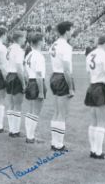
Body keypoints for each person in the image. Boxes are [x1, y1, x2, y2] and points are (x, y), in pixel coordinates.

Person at [85, 36, 105, 159]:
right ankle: (99, 152)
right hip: (101, 87)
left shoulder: (90, 55)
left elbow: (88, 73)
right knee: (101, 122)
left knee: (93, 122)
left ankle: (93, 150)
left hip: (92, 86)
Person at [49, 21, 75, 151]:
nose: (72, 32)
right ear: (67, 31)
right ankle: (58, 144)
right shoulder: (66, 46)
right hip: (62, 77)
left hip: (54, 76)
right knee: (62, 113)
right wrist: (70, 87)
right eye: (71, 30)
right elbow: (66, 69)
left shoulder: (54, 43)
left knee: (57, 111)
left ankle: (54, 142)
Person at [24, 32, 46, 143]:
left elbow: (25, 73)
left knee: (31, 110)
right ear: (40, 42)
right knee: (36, 111)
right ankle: (30, 137)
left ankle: (29, 136)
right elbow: (39, 74)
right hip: (37, 83)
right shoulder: (38, 55)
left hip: (30, 82)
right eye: (43, 40)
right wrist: (41, 91)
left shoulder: (29, 54)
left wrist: (28, 84)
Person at [6, 31, 26, 137]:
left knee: (11, 104)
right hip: (16, 76)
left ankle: (11, 129)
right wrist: (23, 84)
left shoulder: (9, 48)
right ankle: (15, 131)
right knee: (17, 104)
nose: (25, 40)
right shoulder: (18, 50)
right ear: (19, 38)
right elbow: (19, 67)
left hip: (9, 75)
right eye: (24, 38)